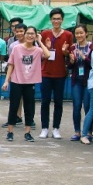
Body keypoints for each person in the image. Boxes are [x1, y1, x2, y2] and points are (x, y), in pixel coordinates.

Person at [2, 25, 49, 142]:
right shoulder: (17, 48)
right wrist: (6, 80)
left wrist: (39, 41)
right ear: (24, 34)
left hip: (30, 82)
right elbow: (11, 64)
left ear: (35, 35)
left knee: (29, 108)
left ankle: (27, 132)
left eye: (32, 34)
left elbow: (47, 55)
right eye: (28, 33)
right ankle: (10, 131)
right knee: (13, 106)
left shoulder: (37, 50)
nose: (30, 36)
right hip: (17, 81)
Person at [40, 8, 74, 139]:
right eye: (54, 19)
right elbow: (41, 54)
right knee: (45, 101)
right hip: (46, 73)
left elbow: (69, 54)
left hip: (60, 73)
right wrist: (47, 48)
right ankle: (44, 128)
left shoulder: (68, 35)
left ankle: (56, 128)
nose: (56, 21)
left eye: (59, 18)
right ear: (50, 20)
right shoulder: (45, 33)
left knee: (58, 102)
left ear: (62, 20)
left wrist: (65, 51)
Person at [67, 24, 91, 142]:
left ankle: (88, 132)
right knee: (76, 106)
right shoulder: (72, 47)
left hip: (88, 81)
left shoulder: (91, 47)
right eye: (77, 33)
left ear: (86, 33)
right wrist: (71, 61)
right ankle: (77, 131)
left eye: (81, 33)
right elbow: (70, 66)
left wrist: (84, 57)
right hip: (76, 80)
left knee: (87, 106)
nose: (79, 35)